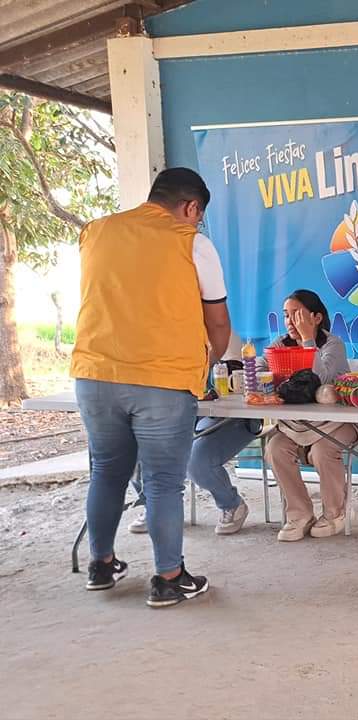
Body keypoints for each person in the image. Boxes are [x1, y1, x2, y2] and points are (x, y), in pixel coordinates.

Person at [71, 167, 231, 608]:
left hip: (95, 376)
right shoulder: (192, 242)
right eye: (199, 216)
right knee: (163, 482)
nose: (197, 224)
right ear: (191, 207)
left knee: (107, 472)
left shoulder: (96, 231)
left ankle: (101, 565)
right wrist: (208, 362)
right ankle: (168, 579)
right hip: (162, 381)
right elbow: (217, 321)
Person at [128, 332, 255, 537]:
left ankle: (232, 504)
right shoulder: (163, 334)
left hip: (229, 416)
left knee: (197, 461)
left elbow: (235, 384)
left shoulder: (223, 334)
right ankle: (158, 507)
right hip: (179, 413)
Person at [264, 289, 358, 542]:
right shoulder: (280, 345)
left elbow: (322, 378)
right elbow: (264, 371)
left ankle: (335, 513)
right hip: (300, 423)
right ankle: (299, 514)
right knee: (275, 447)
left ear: (316, 317)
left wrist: (308, 341)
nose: (290, 321)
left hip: (341, 421)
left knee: (322, 450)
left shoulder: (333, 344)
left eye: (297, 315)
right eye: (286, 315)